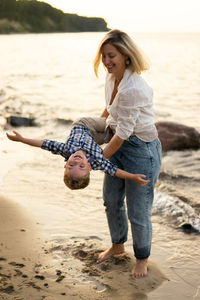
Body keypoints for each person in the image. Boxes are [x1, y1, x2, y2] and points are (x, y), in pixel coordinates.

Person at [93, 29, 162, 277]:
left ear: (125, 55)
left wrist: (95, 160)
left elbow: (123, 133)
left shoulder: (134, 88)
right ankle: (118, 245)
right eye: (104, 57)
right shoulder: (112, 78)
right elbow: (110, 111)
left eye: (111, 56)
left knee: (138, 211)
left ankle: (142, 258)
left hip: (141, 152)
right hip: (117, 145)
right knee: (111, 201)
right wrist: (91, 131)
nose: (107, 62)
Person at [6, 118, 149, 190]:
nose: (77, 161)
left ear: (66, 164)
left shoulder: (66, 151)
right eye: (81, 166)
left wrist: (22, 139)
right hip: (95, 138)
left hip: (84, 124)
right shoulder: (98, 161)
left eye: (72, 165)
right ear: (90, 168)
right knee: (110, 136)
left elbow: (43, 144)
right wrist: (133, 177)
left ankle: (113, 113)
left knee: (112, 124)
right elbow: (114, 171)